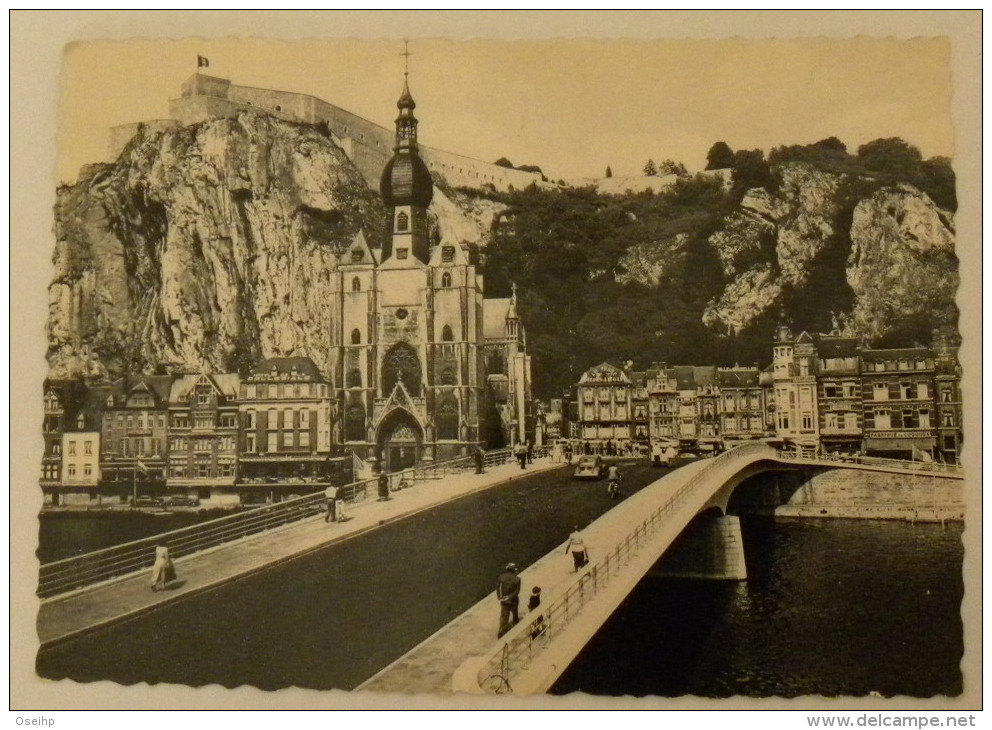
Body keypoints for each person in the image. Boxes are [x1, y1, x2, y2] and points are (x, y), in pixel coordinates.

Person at [496, 562, 521, 638]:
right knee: (515, 615)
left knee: (503, 617)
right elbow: (517, 591)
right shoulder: (517, 579)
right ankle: (515, 628)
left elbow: (497, 588)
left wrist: (499, 597)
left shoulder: (501, 577)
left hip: (504, 601)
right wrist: (509, 597)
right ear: (514, 570)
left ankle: (501, 632)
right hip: (513, 601)